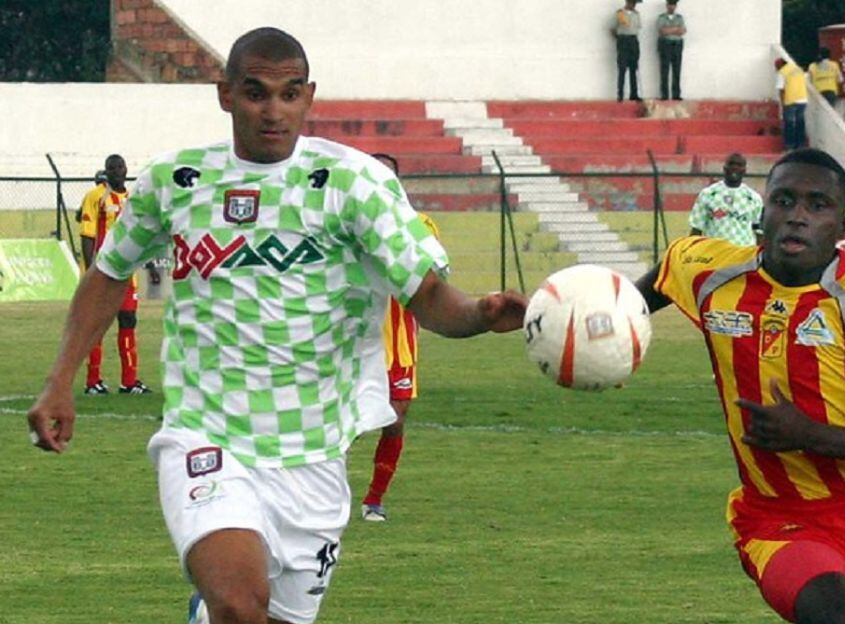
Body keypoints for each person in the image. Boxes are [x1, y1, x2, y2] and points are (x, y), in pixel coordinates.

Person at [27, 27, 526, 624]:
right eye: (256, 93)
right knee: (240, 607)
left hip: (313, 455)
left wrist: (480, 314)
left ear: (308, 96)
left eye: (289, 94)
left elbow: (427, 294)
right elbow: (108, 273)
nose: (273, 111)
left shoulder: (358, 183)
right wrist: (60, 379)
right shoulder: (174, 180)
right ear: (225, 95)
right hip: (206, 433)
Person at [635, 148, 845, 624]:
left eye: (817, 205)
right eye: (784, 200)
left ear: (843, 228)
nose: (798, 216)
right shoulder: (712, 273)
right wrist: (566, 323)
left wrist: (806, 434)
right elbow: (649, 285)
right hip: (775, 515)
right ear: (762, 214)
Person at [359, 152, 442, 523]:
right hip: (355, 339)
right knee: (343, 421)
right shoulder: (348, 222)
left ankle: (374, 499)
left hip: (399, 341)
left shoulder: (421, 225)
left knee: (395, 419)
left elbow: (432, 277)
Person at [77, 154, 152, 395]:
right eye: (112, 168)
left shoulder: (132, 199)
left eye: (120, 166)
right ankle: (93, 381)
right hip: (102, 273)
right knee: (97, 325)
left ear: (126, 168)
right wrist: (91, 272)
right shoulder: (95, 196)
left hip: (127, 274)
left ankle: (129, 381)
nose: (117, 171)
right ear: (106, 171)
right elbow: (87, 235)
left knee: (128, 321)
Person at [687, 152, 763, 245]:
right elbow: (697, 229)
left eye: (739, 165)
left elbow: (758, 231)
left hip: (744, 254)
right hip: (715, 253)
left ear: (745, 170)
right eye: (731, 164)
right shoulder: (708, 194)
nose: (734, 167)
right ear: (724, 168)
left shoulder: (754, 198)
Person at [774, 58, 808, 151]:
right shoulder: (798, 69)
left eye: (776, 67)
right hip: (802, 99)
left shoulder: (782, 72)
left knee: (789, 124)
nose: (776, 69)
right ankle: (801, 145)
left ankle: (789, 146)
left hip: (790, 100)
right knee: (800, 122)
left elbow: (781, 89)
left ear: (780, 65)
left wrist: (782, 104)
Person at [612, 0, 643, 102]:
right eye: (632, 2)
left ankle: (634, 93)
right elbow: (613, 29)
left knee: (634, 68)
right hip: (623, 40)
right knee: (622, 68)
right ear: (627, 2)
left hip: (633, 40)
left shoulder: (636, 14)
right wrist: (620, 39)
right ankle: (620, 94)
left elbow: (637, 28)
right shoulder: (620, 13)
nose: (633, 5)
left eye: (634, 3)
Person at [656, 0, 685, 101]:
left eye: (673, 5)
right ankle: (664, 95)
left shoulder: (680, 18)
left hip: (677, 45)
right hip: (665, 45)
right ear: (667, 6)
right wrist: (675, 29)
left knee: (677, 70)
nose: (672, 7)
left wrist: (669, 30)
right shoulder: (661, 18)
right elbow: (662, 31)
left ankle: (676, 95)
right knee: (665, 70)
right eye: (670, 5)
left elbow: (682, 31)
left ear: (675, 6)